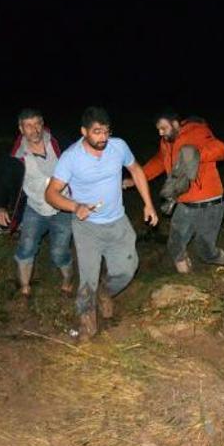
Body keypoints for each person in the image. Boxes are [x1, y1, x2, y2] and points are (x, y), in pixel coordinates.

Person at [46, 106, 158, 340]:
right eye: (97, 132)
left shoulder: (118, 147)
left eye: (106, 132)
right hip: (88, 228)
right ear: (84, 131)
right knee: (87, 280)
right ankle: (87, 325)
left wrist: (148, 203)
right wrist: (76, 207)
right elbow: (51, 193)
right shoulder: (71, 157)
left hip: (118, 222)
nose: (103, 138)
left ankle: (105, 292)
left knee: (127, 268)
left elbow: (136, 170)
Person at [0, 108, 73, 299]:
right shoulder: (15, 155)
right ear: (21, 129)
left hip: (64, 207)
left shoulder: (60, 142)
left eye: (37, 124)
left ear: (42, 123)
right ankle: (24, 290)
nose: (34, 130)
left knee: (59, 253)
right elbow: (1, 181)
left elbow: (85, 158)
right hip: (34, 208)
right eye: (28, 126)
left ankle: (68, 282)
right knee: (26, 247)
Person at [134, 110, 224, 273]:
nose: (160, 132)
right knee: (175, 244)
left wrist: (197, 155)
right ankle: (186, 280)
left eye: (163, 128)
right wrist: (138, 177)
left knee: (205, 251)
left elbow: (221, 149)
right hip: (184, 202)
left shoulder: (197, 131)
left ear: (175, 124)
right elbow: (159, 161)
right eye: (158, 129)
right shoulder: (166, 142)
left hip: (210, 203)